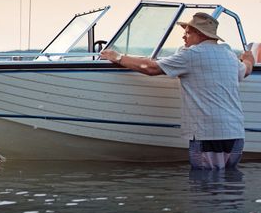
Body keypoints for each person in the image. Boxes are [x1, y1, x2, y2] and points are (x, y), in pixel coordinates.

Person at [100, 12, 255, 169]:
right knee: (229, 184)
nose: (183, 37)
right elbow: (246, 70)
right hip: (235, 134)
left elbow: (150, 68)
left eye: (187, 32)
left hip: (207, 135)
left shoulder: (191, 55)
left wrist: (117, 57)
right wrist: (249, 59)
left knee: (204, 186)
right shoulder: (228, 55)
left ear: (199, 34)